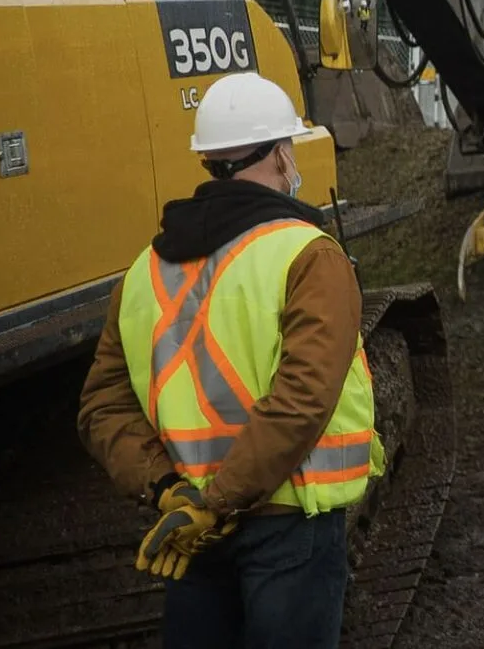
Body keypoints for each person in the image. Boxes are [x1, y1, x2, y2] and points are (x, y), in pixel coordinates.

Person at [77, 71, 379, 649]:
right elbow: (303, 399)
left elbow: (102, 404)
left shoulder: (144, 271)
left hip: (190, 527)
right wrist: (219, 503)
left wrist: (169, 490)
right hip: (288, 523)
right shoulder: (307, 255)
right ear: (281, 153)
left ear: (210, 162)